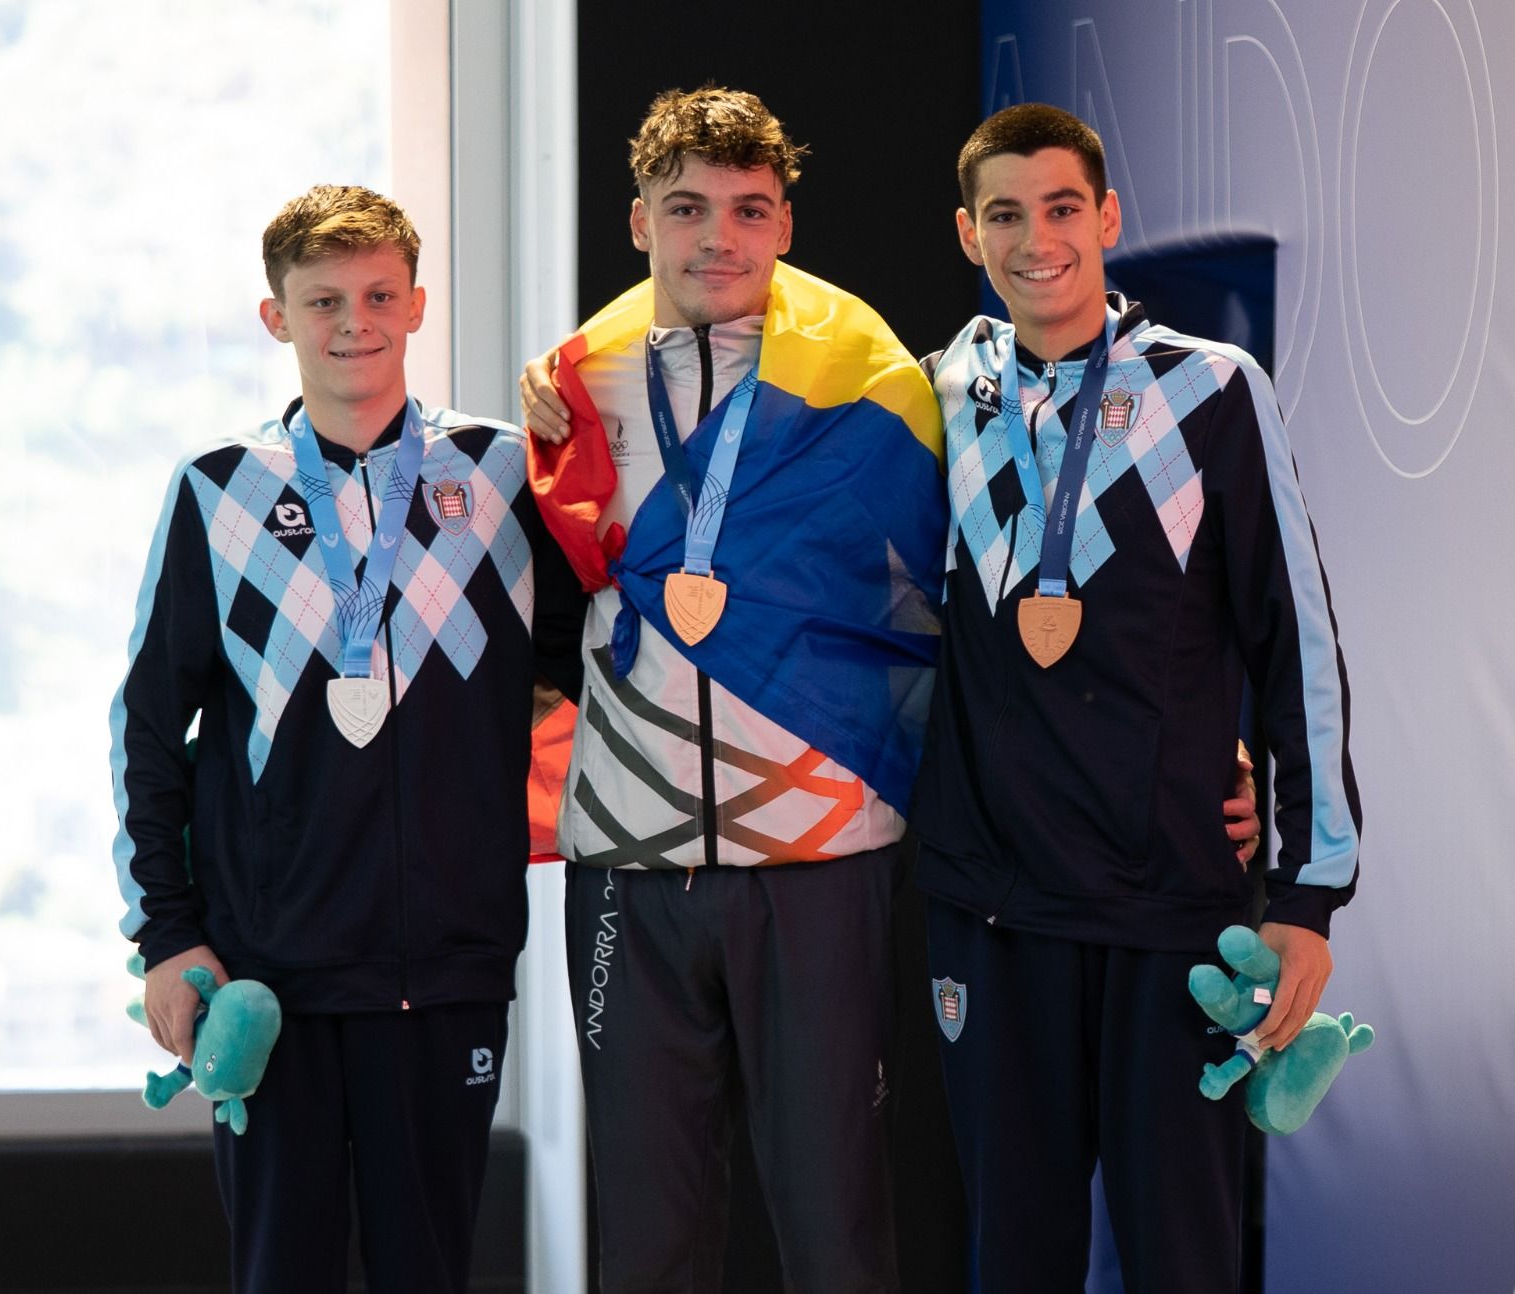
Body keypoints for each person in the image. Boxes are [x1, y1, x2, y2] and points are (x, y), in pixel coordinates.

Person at [521, 88, 1262, 1291]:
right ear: (639, 220)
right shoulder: (577, 389)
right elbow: (550, 625)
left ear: (785, 224)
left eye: (747, 209)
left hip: (826, 856)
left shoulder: (877, 389)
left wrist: (1209, 747)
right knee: (645, 1243)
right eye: (687, 208)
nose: (717, 237)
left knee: (838, 1236)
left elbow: (971, 599)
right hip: (626, 864)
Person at [910, 103, 1361, 1293]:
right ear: (967, 233)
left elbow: (1296, 643)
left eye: (1062, 207)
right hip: (992, 916)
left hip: (1170, 917)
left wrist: (1307, 895)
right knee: (1013, 1262)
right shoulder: (937, 393)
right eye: (1005, 214)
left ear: (1107, 217)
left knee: (1183, 1263)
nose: (1035, 240)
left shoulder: (1211, 389)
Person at [109, 184, 582, 1294]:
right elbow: (148, 725)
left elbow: (591, 662)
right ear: (276, 316)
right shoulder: (219, 490)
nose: (353, 322)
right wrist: (166, 934)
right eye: (322, 300)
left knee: (431, 1272)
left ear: (416, 304)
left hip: (450, 964)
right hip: (268, 974)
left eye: (377, 295)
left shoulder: (504, 475)